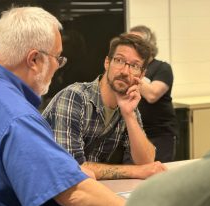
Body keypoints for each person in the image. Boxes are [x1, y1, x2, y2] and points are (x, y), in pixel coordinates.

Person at [0, 6, 125, 206]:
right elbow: (76, 194)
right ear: (35, 59)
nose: (59, 68)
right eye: (58, 58)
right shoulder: (16, 117)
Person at [43, 33, 166, 180]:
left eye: (134, 66)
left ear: (141, 75)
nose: (125, 72)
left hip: (87, 189)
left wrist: (129, 115)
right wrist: (134, 171)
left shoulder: (128, 106)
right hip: (48, 191)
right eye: (119, 60)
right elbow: (72, 167)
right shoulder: (74, 98)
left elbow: (146, 162)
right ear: (107, 63)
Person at [130, 25, 178, 162]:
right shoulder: (131, 69)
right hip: (135, 133)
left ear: (148, 45)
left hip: (160, 134)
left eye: (136, 42)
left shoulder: (162, 68)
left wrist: (132, 74)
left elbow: (152, 95)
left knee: (158, 174)